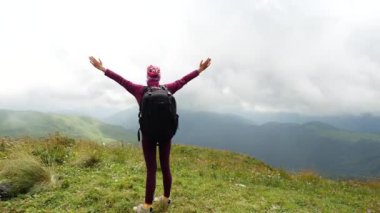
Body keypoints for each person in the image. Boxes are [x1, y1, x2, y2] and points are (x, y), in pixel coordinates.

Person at [89, 56, 212, 213]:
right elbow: (183, 80)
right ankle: (166, 199)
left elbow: (120, 80)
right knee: (166, 167)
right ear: (159, 78)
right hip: (166, 135)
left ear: (147, 77)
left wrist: (102, 68)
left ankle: (147, 207)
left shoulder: (139, 90)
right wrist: (200, 70)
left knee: (151, 169)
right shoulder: (168, 89)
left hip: (148, 136)